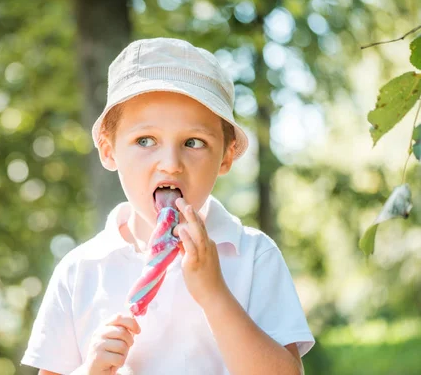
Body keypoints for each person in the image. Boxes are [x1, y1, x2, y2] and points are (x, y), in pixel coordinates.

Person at [21, 38, 315, 375]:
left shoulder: (253, 255)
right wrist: (88, 370)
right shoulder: (80, 270)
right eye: (145, 141)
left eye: (194, 142)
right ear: (108, 150)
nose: (170, 163)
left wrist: (214, 294)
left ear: (226, 156)